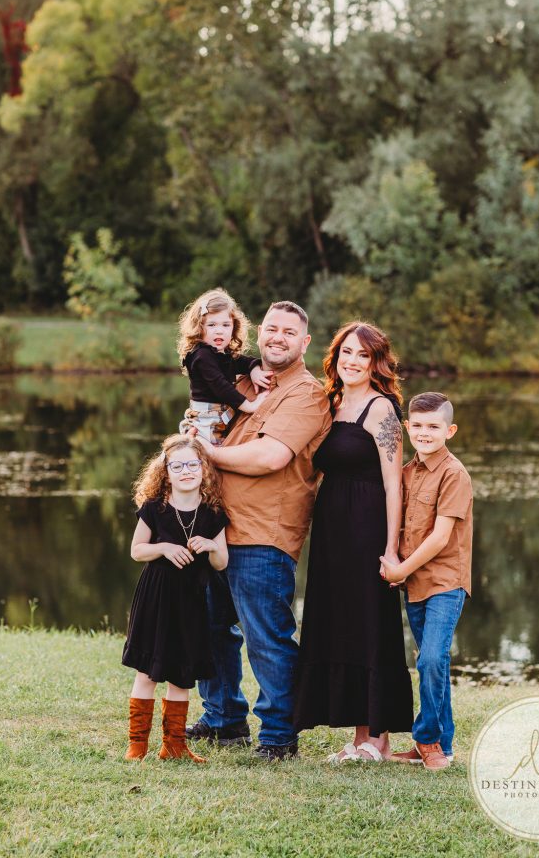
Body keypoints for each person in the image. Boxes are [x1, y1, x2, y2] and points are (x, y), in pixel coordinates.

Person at [185, 301, 332, 760]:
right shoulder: (243, 381)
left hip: (263, 533)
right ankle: (224, 718)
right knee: (210, 628)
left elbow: (270, 457)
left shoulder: (307, 395)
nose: (277, 338)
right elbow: (204, 423)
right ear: (258, 333)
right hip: (213, 527)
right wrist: (192, 435)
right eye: (271, 329)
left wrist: (205, 452)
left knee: (266, 638)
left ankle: (278, 736)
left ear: (304, 342)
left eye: (289, 332)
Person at [293, 322, 413, 762]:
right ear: (335, 356)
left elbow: (394, 484)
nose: (353, 361)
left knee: (368, 622)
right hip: (332, 529)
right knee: (337, 620)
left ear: (376, 362)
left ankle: (376, 738)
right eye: (347, 352)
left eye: (363, 355)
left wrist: (391, 547)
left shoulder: (382, 409)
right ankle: (359, 735)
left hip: (367, 525)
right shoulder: (333, 402)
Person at [121, 433, 229, 763]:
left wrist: (210, 546)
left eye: (192, 465)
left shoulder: (212, 513)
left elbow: (221, 562)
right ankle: (137, 746)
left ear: (204, 468)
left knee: (182, 674)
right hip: (155, 599)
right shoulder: (155, 509)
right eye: (177, 466)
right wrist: (164, 548)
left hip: (191, 601)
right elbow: (137, 551)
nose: (186, 472)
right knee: (147, 672)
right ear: (166, 472)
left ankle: (175, 745)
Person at [380, 391, 473, 771]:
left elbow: (439, 537)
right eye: (417, 425)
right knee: (434, 663)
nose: (424, 433)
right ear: (406, 427)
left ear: (449, 430)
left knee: (432, 658)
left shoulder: (454, 474)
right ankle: (441, 746)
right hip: (415, 584)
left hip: (446, 582)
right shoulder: (405, 473)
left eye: (433, 426)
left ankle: (427, 738)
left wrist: (400, 569)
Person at [177, 288, 272, 444]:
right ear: (199, 327)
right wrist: (250, 406)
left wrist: (254, 369)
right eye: (212, 325)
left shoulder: (222, 354)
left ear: (234, 327)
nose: (219, 331)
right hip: (205, 422)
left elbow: (243, 361)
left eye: (226, 325)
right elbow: (221, 387)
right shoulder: (202, 355)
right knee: (207, 455)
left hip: (219, 419)